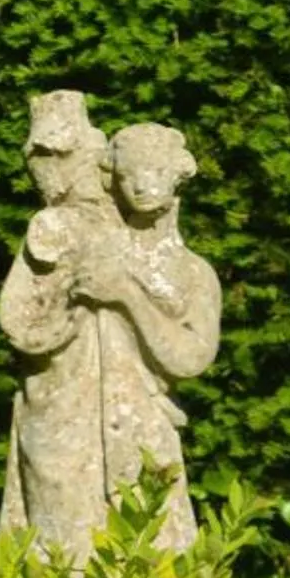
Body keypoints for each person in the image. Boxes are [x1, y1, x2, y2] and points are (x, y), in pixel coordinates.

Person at [68, 122, 222, 550]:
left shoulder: (193, 271)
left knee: (158, 555)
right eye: (129, 174)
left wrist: (127, 296)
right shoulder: (94, 252)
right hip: (80, 421)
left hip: (146, 426)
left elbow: (192, 358)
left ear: (177, 175)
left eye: (153, 171)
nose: (140, 185)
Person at [0, 91, 120, 563]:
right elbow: (20, 321)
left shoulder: (61, 225)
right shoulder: (65, 225)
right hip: (61, 392)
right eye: (38, 156)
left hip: (92, 400)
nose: (42, 170)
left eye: (52, 156)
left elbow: (18, 321)